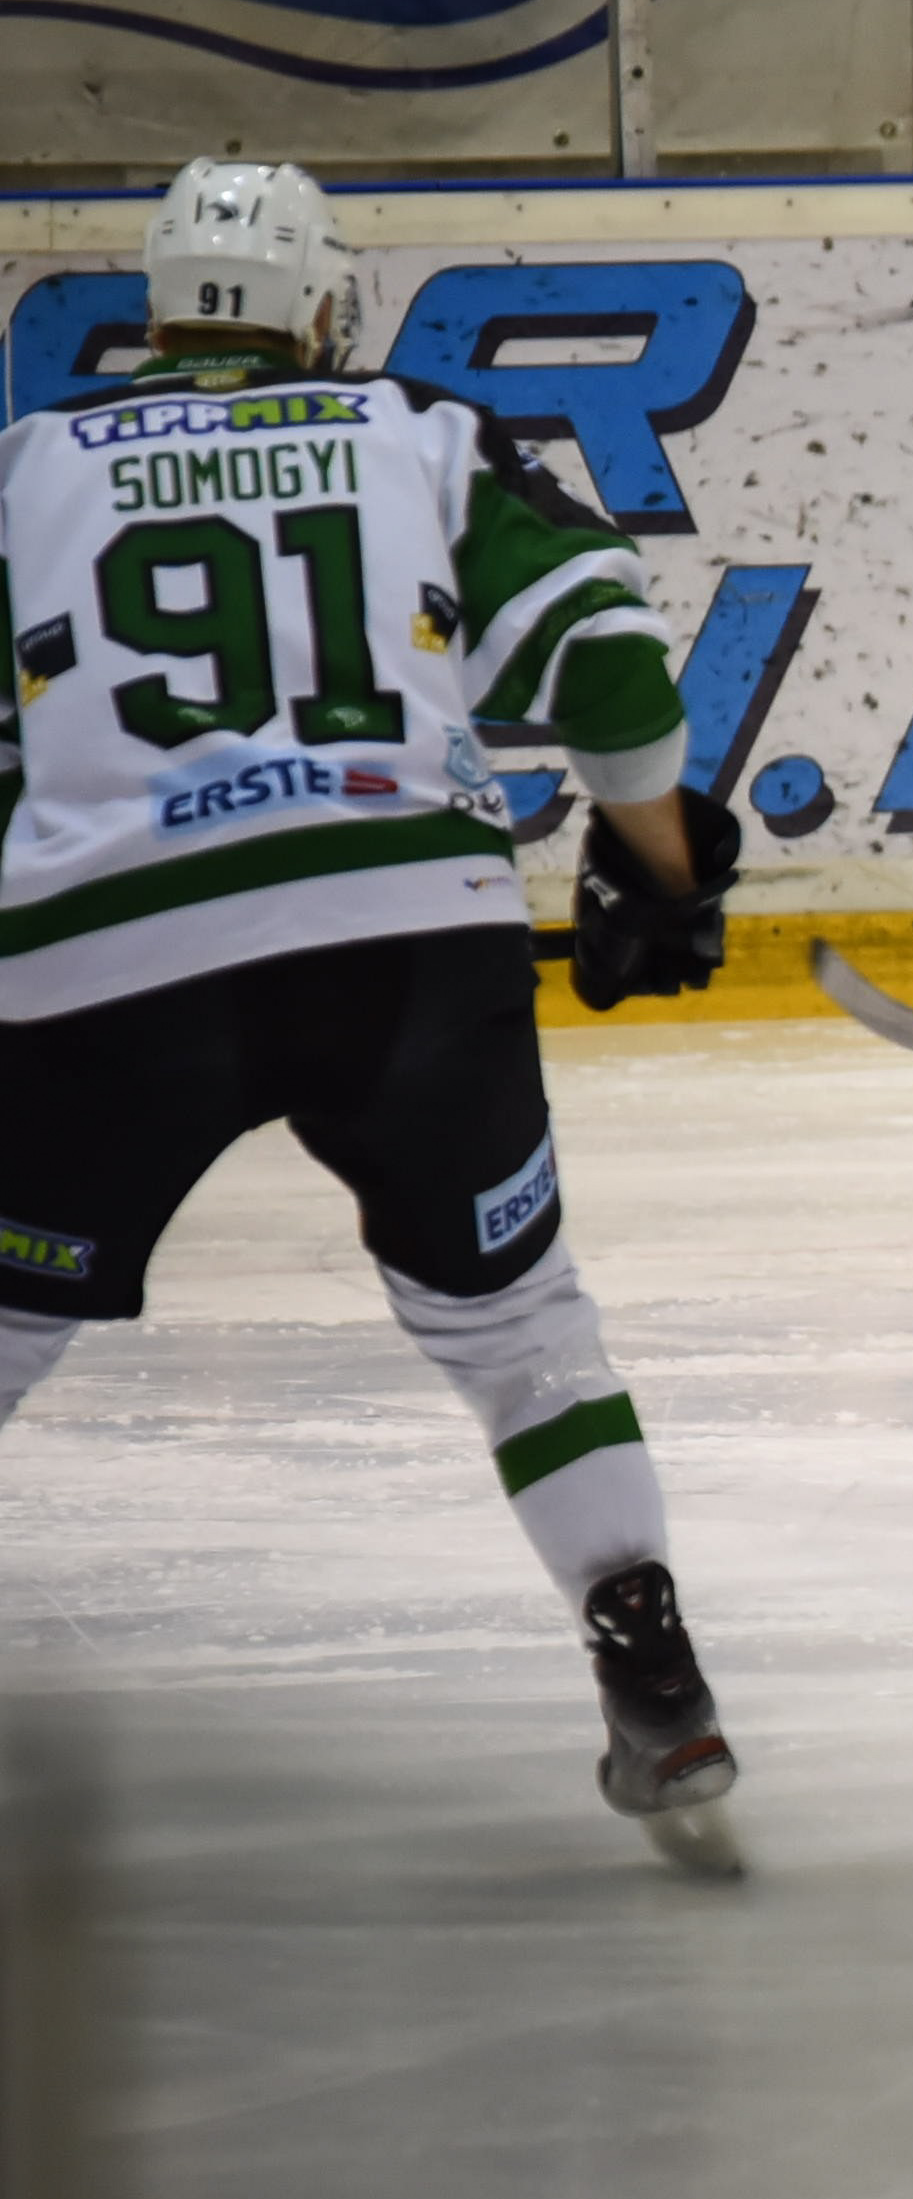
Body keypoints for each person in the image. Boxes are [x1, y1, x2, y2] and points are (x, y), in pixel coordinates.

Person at [0, 158, 748, 1871]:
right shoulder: (409, 429)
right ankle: (651, 1655)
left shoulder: (27, 466)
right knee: (521, 1331)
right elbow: (606, 649)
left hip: (107, 969)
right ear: (321, 308)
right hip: (410, 936)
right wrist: (662, 868)